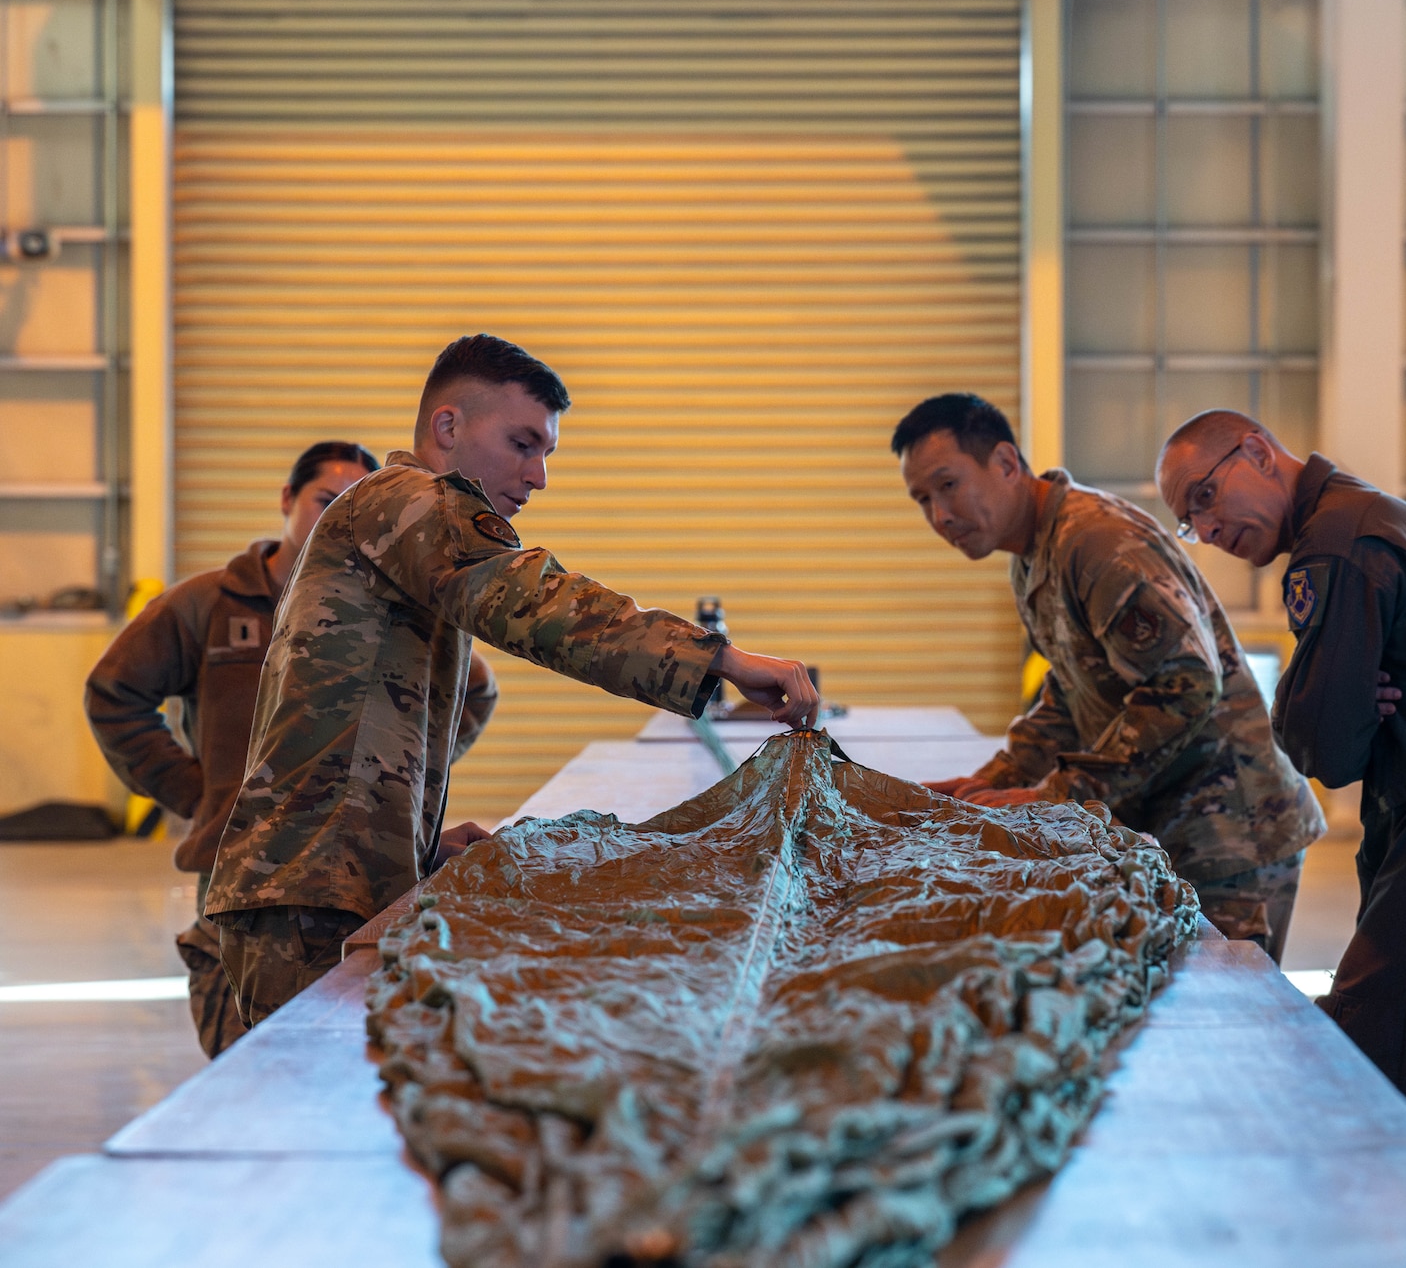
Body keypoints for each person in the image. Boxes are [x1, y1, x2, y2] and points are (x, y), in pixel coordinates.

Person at [206, 334, 820, 1026]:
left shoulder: (402, 531)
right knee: (308, 1115)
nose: (538, 475)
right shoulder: (404, 501)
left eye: (546, 452)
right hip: (307, 896)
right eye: (522, 442)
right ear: (448, 425)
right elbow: (534, 598)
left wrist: (416, 841)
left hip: (323, 882)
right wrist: (719, 658)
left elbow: (346, 727)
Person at [1156, 408, 1406, 1228]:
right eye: (1192, 521)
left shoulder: (1336, 546)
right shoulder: (1362, 517)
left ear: (1257, 448)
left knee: (1352, 1091)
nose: (1211, 527)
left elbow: (1324, 747)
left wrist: (1308, 699)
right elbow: (1335, 724)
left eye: (1209, 496)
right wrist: (1329, 692)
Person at [86, 441, 499, 1057]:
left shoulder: (389, 608)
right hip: (241, 871)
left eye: (354, 508)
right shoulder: (210, 605)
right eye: (325, 502)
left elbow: (473, 690)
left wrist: (398, 793)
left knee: (340, 1046)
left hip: (353, 876)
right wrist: (196, 795)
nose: (337, 520)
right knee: (246, 1056)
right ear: (287, 499)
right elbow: (114, 694)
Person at [894, 393, 1327, 959]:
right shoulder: (1033, 555)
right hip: (1176, 826)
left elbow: (1186, 685)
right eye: (922, 499)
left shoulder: (1095, 542)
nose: (939, 516)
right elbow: (1073, 692)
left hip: (1232, 835)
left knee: (1216, 1025)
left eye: (947, 485)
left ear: (1004, 461)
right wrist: (992, 783)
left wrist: (1055, 796)